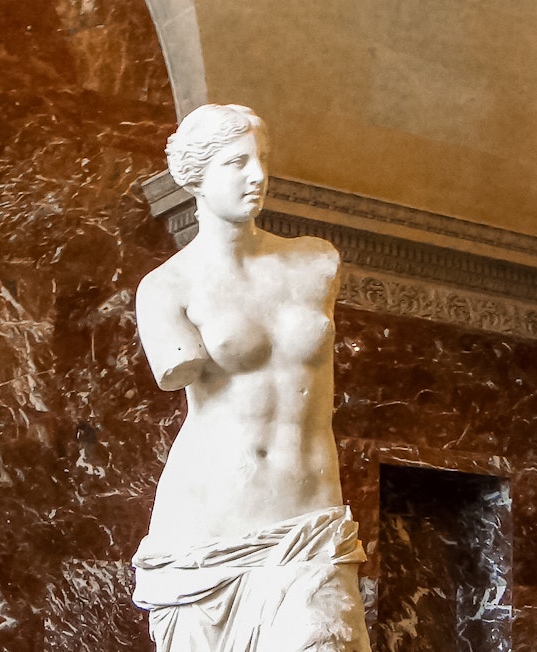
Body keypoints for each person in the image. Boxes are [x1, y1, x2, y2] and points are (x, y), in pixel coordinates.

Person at [132, 104, 370, 651]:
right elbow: (176, 369)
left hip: (310, 522)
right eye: (235, 162)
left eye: (261, 159)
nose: (257, 175)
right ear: (195, 175)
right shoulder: (167, 289)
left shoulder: (316, 263)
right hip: (210, 524)